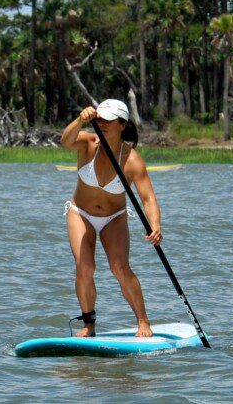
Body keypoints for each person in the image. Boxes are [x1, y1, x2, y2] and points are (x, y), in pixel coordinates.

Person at [59, 99, 162, 338]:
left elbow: (148, 199)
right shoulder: (88, 142)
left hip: (113, 217)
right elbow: (65, 142)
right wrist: (80, 120)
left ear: (122, 124)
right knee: (85, 266)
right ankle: (88, 324)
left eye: (108, 120)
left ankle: (143, 322)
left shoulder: (132, 160)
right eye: (99, 118)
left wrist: (155, 226)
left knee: (120, 268)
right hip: (80, 213)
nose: (101, 123)